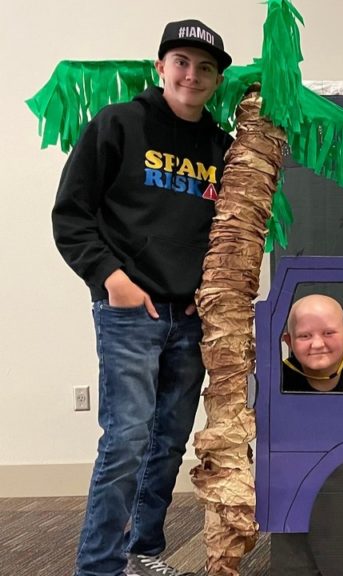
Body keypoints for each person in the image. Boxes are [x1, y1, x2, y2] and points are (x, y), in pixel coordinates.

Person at [51, 19, 234, 576]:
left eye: (205, 68)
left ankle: (144, 552)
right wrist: (112, 279)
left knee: (169, 442)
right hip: (131, 310)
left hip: (191, 316)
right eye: (181, 62)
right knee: (127, 440)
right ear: (161, 67)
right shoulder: (118, 125)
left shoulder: (222, 149)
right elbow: (71, 216)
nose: (192, 75)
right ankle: (99, 566)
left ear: (215, 80)